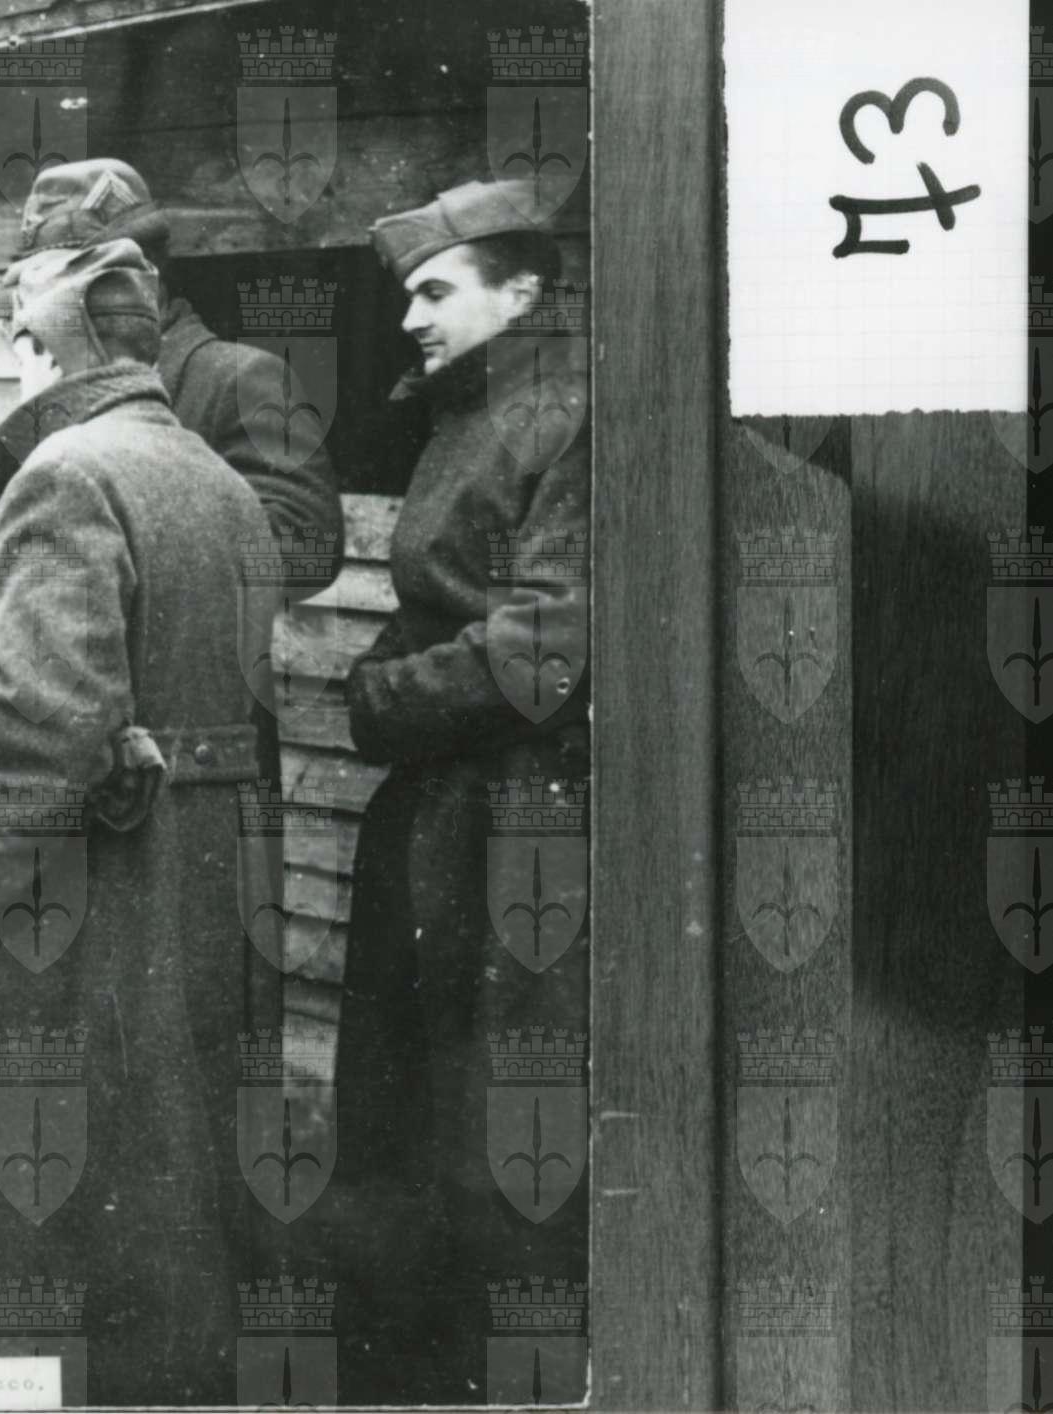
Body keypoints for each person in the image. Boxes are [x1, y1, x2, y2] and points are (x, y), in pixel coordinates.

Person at [0, 232, 269, 1406]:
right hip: (198, 868)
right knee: (167, 1160)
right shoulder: (215, 475)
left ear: (44, 349)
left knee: (37, 1190)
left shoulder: (64, 472)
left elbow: (53, 723)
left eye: (18, 342)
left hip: (84, 885)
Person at [327, 178, 592, 1403]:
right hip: (441, 806)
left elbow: (546, 646)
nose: (409, 319)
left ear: (522, 290)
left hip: (526, 812)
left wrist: (379, 699)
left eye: (434, 290)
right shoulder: (470, 411)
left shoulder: (575, 414)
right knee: (406, 1095)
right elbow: (440, 607)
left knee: (503, 1104)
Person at [6, 157, 343, 585]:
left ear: (148, 278)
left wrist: (126, 557)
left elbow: (309, 547)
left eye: (82, 284)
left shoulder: (240, 378)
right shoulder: (55, 379)